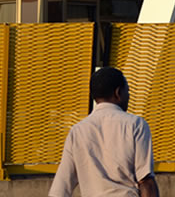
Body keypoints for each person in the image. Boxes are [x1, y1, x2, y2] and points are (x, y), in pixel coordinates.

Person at [49, 67, 159, 197]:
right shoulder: (136, 125)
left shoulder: (77, 131)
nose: (128, 96)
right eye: (127, 91)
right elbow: (146, 181)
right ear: (118, 92)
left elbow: (60, 189)